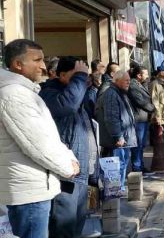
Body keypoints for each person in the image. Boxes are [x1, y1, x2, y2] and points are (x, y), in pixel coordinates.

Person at [0, 40, 79, 238]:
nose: (43, 66)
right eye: (37, 60)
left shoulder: (24, 92)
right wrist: (68, 167)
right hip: (27, 192)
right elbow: (37, 144)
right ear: (18, 64)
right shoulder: (13, 94)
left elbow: (47, 136)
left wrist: (68, 157)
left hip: (32, 186)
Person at [38, 57, 96, 237]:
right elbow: (66, 106)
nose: (83, 80)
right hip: (64, 174)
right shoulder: (50, 93)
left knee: (76, 226)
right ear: (62, 75)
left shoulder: (76, 93)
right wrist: (79, 79)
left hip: (81, 172)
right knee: (64, 228)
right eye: (77, 75)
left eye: (85, 76)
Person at [95, 70, 136, 195]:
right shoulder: (112, 94)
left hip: (123, 137)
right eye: (126, 80)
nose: (128, 82)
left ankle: (118, 188)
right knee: (116, 166)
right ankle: (115, 190)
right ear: (117, 81)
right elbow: (111, 117)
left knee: (121, 164)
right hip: (117, 139)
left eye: (129, 80)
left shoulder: (119, 92)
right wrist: (118, 136)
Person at [127, 66, 155, 173]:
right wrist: (154, 109)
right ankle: (137, 167)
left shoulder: (140, 84)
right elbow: (141, 102)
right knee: (137, 145)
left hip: (143, 118)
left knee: (142, 145)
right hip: (138, 119)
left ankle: (141, 165)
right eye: (146, 74)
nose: (148, 76)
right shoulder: (133, 85)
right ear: (139, 75)